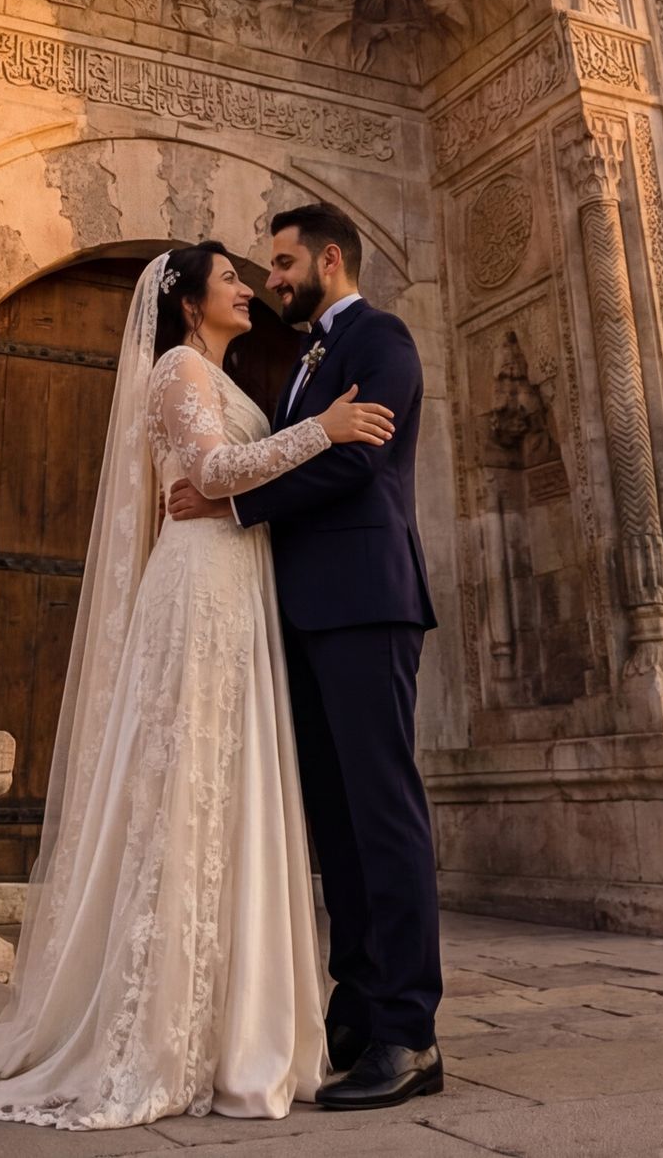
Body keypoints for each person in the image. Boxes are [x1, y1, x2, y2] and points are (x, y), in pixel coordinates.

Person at [0, 242, 395, 1127]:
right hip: (200, 585)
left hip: (237, 583)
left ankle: (237, 1022)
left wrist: (294, 446)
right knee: (189, 786)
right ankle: (163, 1026)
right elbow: (208, 474)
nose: (249, 287)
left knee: (231, 787)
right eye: (232, 277)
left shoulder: (222, 374)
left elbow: (229, 479)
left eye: (254, 273)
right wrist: (326, 428)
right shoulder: (175, 367)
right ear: (189, 299)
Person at [169, 202, 445, 1108]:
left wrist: (235, 507)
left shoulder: (383, 339)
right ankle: (357, 1012)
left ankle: (410, 1031)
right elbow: (301, 445)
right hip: (306, 612)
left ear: (330, 260)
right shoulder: (304, 364)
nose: (269, 278)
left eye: (282, 263)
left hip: (367, 602)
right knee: (336, 824)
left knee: (384, 812)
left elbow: (356, 462)